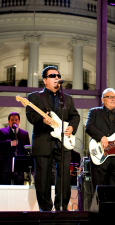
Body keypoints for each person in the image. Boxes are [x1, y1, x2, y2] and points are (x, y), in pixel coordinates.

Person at [26, 66, 80, 211]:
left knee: (63, 177)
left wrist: (72, 127)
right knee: (42, 178)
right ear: (45, 80)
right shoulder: (34, 97)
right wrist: (42, 120)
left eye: (58, 75)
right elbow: (31, 115)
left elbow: (75, 116)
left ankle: (61, 207)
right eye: (52, 75)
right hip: (43, 140)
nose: (57, 77)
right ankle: (45, 209)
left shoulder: (67, 99)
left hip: (63, 142)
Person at [0, 112, 30, 185]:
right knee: (5, 187)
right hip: (6, 165)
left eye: (16, 120)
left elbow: (27, 149)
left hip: (19, 166)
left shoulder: (25, 134)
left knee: (19, 187)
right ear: (9, 121)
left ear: (19, 121)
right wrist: (10, 143)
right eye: (12, 120)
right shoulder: (2, 131)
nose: (14, 121)